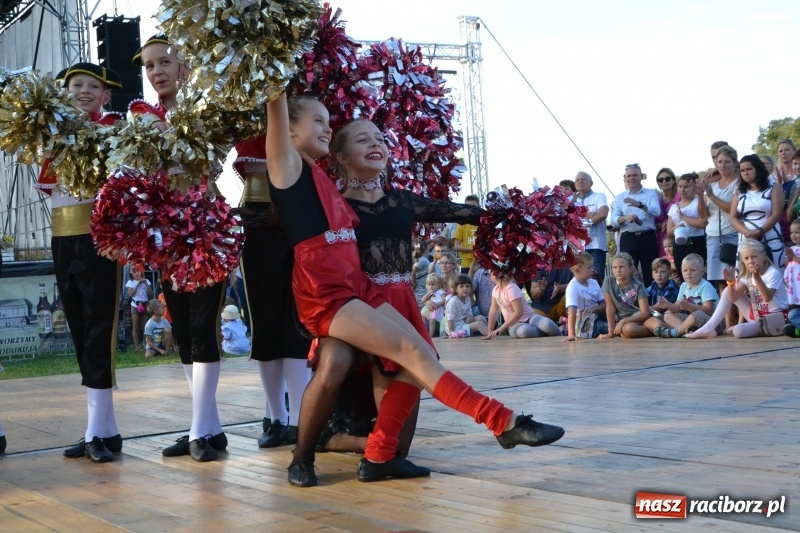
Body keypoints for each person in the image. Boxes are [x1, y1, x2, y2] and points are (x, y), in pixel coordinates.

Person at [265, 94, 564, 485]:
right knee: (374, 356)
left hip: (356, 290)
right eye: (318, 121)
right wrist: (272, 83)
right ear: (288, 130)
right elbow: (275, 107)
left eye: (327, 122)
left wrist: (515, 217)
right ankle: (501, 421)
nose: (326, 127)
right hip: (327, 292)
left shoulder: (320, 179)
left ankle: (379, 456)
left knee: (421, 350)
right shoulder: (289, 168)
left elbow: (454, 210)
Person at [288, 116, 487, 486]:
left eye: (380, 138)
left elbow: (463, 211)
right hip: (353, 304)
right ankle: (302, 456)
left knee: (396, 407)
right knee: (335, 362)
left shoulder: (402, 201)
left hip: (399, 305)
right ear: (342, 157)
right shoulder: (332, 205)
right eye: (363, 140)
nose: (375, 144)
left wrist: (511, 216)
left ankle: (377, 451)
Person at [131, 34, 227, 461]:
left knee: (205, 329)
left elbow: (214, 162)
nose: (157, 72)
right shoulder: (140, 118)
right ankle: (207, 427)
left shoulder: (207, 111)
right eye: (150, 66)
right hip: (167, 239)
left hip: (207, 231)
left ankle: (199, 429)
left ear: (185, 66)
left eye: (165, 62)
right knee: (184, 331)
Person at [35, 62, 126, 463]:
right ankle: (105, 430)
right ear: (63, 91)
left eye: (93, 86)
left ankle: (95, 432)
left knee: (98, 330)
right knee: (77, 327)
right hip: (61, 238)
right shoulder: (50, 134)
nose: (84, 91)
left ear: (105, 95)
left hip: (98, 239)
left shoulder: (112, 130)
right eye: (76, 85)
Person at [232, 134, 311, 450]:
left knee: (297, 319)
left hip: (300, 209)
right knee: (264, 320)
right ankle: (277, 417)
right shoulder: (235, 103)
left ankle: (298, 419)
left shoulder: (301, 106)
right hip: (257, 214)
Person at [686, 240, 788, 339]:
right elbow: (733, 298)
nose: (751, 261)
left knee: (738, 331)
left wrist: (757, 278)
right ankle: (709, 327)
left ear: (764, 256)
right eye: (746, 258)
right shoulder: (747, 275)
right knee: (727, 290)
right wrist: (731, 283)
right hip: (757, 316)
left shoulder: (772, 273)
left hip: (774, 318)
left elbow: (767, 298)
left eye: (754, 257)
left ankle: (746, 327)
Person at [730, 154, 786, 270]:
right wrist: (747, 232)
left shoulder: (773, 187)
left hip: (770, 238)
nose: (745, 173)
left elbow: (777, 214)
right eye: (742, 170)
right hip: (746, 240)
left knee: (774, 274)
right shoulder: (739, 192)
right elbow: (733, 218)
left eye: (749, 169)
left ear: (758, 169)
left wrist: (760, 231)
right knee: (746, 278)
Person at [611, 164, 661, 286]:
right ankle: (630, 302)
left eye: (634, 175)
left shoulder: (651, 194)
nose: (631, 178)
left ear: (641, 177)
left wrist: (639, 204)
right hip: (628, 238)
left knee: (650, 272)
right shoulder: (620, 197)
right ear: (625, 178)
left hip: (647, 237)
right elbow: (613, 219)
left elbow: (656, 211)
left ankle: (652, 303)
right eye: (628, 176)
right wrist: (625, 218)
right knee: (626, 273)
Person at [702, 145, 740, 294]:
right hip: (712, 236)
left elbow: (734, 210)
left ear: (734, 163)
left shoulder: (738, 183)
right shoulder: (712, 184)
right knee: (720, 281)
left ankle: (740, 316)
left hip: (731, 234)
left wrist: (711, 196)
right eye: (719, 162)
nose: (722, 165)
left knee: (733, 280)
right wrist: (700, 196)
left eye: (727, 161)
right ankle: (725, 317)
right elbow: (704, 215)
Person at [652, 254, 719, 338]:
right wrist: (668, 305)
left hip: (712, 322)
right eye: (685, 270)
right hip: (694, 321)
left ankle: (675, 332)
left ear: (703, 271)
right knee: (667, 314)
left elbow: (709, 310)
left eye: (693, 270)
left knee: (696, 315)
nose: (688, 273)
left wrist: (690, 307)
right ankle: (687, 331)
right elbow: (677, 307)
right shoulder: (684, 285)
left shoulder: (705, 286)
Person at [598, 253, 660, 339]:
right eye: (615, 267)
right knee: (628, 329)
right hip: (624, 323)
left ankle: (653, 330)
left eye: (621, 267)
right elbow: (610, 308)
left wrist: (623, 321)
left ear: (630, 269)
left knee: (628, 330)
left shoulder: (638, 285)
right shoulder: (608, 282)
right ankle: (653, 330)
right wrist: (610, 333)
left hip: (639, 318)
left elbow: (645, 312)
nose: (618, 270)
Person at [485, 272, 561, 339]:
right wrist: (490, 331)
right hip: (514, 324)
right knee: (524, 331)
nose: (490, 274)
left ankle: (560, 335)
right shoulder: (495, 290)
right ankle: (546, 333)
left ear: (495, 275)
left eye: (491, 272)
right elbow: (493, 310)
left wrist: (502, 328)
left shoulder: (511, 289)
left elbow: (518, 313)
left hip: (530, 317)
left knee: (547, 324)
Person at [667, 173, 707, 281]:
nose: (682, 190)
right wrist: (678, 226)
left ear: (693, 187)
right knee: (683, 275)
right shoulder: (674, 207)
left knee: (697, 276)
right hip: (679, 244)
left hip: (696, 241)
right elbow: (669, 232)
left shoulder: (698, 201)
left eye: (686, 186)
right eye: (680, 186)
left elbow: (703, 223)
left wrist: (683, 217)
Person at [562, 252, 607, 341]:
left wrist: (594, 309)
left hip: (597, 318)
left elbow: (604, 304)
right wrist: (571, 334)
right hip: (584, 323)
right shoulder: (572, 287)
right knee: (614, 329)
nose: (593, 270)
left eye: (592, 266)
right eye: (589, 267)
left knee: (614, 324)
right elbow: (571, 312)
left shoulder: (594, 283)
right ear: (577, 270)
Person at [573, 172, 609, 282]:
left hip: (596, 247)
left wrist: (584, 223)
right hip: (577, 249)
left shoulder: (599, 196)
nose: (580, 181)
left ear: (591, 183)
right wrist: (591, 214)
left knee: (596, 279)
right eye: (577, 180)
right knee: (578, 280)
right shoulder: (572, 201)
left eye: (584, 179)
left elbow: (603, 213)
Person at [654, 168, 679, 257]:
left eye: (667, 178)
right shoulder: (657, 200)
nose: (664, 181)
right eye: (660, 180)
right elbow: (653, 222)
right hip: (662, 240)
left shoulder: (679, 197)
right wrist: (659, 225)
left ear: (673, 180)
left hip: (677, 236)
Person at [125, 265, 152, 350]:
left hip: (145, 304)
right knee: (135, 326)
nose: (136, 274)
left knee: (145, 326)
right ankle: (137, 346)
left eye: (138, 271)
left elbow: (150, 293)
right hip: (135, 305)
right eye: (134, 272)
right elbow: (131, 294)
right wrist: (138, 283)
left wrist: (146, 284)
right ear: (131, 274)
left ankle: (146, 344)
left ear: (141, 272)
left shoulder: (146, 281)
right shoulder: (130, 282)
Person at [452, 195, 481, 274]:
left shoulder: (484, 223)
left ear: (479, 206)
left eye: (474, 206)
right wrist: (473, 249)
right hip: (467, 264)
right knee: (465, 286)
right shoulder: (462, 224)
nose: (471, 209)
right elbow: (456, 247)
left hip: (482, 264)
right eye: (468, 206)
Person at [783, 219, 800, 337]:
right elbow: (785, 264)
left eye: (797, 232)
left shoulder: (795, 252)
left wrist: (794, 257)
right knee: (792, 315)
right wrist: (789, 257)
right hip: (794, 287)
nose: (793, 235)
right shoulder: (792, 248)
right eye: (791, 232)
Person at [420, 273, 446, 337]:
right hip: (429, 309)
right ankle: (424, 333)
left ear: (439, 285)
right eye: (429, 285)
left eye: (433, 285)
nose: (431, 287)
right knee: (422, 317)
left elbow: (444, 300)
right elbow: (423, 300)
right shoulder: (429, 293)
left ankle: (430, 336)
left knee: (432, 320)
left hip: (437, 309)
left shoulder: (440, 291)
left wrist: (437, 304)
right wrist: (428, 293)